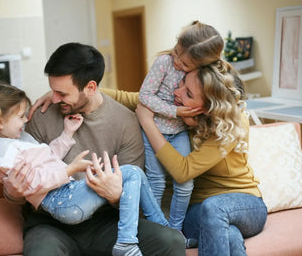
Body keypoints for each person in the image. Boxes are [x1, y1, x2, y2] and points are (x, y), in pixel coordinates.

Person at [2, 43, 185, 256]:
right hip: (51, 224)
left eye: (62, 93)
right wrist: (13, 193)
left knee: (170, 241)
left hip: (105, 223)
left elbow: (132, 192)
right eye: (52, 91)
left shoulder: (125, 122)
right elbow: (21, 183)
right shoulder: (40, 118)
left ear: (90, 88)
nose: (53, 99)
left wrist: (116, 196)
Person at [0, 81, 172, 256]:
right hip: (60, 203)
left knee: (135, 175)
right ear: (0, 122)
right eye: (20, 116)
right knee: (130, 173)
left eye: (62, 93)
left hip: (88, 212)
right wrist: (69, 170)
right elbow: (34, 182)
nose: (26, 120)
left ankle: (160, 228)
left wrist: (67, 134)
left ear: (90, 87)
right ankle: (126, 242)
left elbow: (47, 157)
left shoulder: (15, 139)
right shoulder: (2, 151)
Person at [105, 60, 267, 255]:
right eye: (181, 83)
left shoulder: (231, 123)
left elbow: (183, 172)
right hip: (197, 210)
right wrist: (81, 91)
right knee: (229, 235)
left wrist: (147, 122)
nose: (177, 92)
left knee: (214, 208)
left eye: (188, 93)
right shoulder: (174, 108)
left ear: (209, 108)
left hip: (245, 204)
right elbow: (125, 97)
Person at [138, 21, 222, 234]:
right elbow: (144, 96)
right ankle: (156, 231)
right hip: (154, 131)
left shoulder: (200, 77)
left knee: (185, 185)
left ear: (199, 66)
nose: (177, 62)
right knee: (156, 182)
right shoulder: (164, 63)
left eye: (184, 64)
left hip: (179, 133)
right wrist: (174, 112)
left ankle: (175, 230)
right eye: (176, 52)